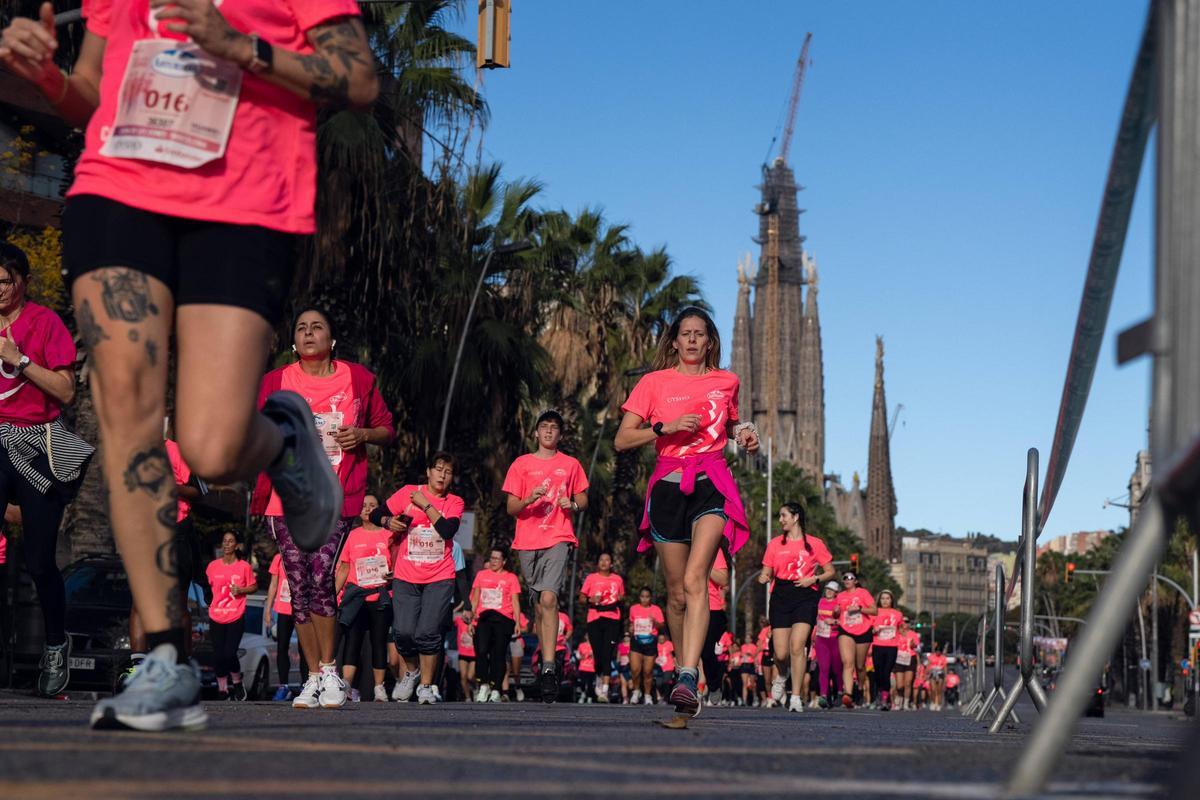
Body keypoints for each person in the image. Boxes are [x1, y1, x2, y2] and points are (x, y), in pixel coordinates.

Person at [1, 0, 378, 731]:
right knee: (125, 405)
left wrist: (240, 47)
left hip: (243, 202)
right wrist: (45, 74)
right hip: (118, 188)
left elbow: (357, 78)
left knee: (209, 445)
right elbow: (89, 89)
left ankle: (283, 440)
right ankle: (165, 660)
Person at [614, 307, 757, 718]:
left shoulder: (726, 381)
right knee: (676, 593)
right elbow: (624, 439)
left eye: (700, 334)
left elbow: (727, 424)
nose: (693, 340)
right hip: (668, 484)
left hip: (712, 481)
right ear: (674, 341)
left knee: (697, 579)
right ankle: (681, 667)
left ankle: (689, 676)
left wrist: (743, 433)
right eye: (685, 334)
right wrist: (665, 427)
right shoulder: (653, 383)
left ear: (709, 341)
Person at [255, 308, 394, 710]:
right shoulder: (275, 382)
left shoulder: (357, 378)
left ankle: (331, 670)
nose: (308, 332)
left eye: (317, 327)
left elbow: (387, 428)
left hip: (336, 496)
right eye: (301, 327)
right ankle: (312, 677)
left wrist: (363, 434)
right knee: (297, 586)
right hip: (286, 498)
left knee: (321, 575)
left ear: (332, 340)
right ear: (294, 342)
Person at [0, 242, 86, 697]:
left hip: (35, 445)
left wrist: (20, 361)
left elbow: (66, 392)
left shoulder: (45, 323)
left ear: (23, 282)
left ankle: (56, 644)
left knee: (38, 560)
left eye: (4, 280)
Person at [502, 409, 589, 703]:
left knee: (550, 599)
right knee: (539, 605)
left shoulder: (571, 464)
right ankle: (545, 659)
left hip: (558, 536)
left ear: (560, 435)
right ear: (536, 433)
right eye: (544, 427)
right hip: (527, 540)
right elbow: (512, 508)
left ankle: (550, 669)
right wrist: (529, 499)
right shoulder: (521, 464)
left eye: (554, 428)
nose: (549, 432)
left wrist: (572, 505)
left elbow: (583, 498)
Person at [376, 452, 464, 705]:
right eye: (438, 469)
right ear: (428, 472)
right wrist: (388, 521)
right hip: (406, 575)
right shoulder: (406, 493)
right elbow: (377, 514)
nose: (442, 475)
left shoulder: (454, 502)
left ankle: (426, 686)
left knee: (427, 632)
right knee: (403, 633)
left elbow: (447, 529)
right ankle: (411, 672)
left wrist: (425, 504)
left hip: (440, 576)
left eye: (447, 472)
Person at [757, 501, 835, 713]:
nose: (780, 520)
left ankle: (796, 697)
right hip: (781, 594)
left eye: (784, 515)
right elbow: (767, 570)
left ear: (796, 517)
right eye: (780, 516)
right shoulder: (774, 544)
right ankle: (782, 675)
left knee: (797, 646)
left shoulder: (814, 543)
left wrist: (815, 580)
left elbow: (830, 571)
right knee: (781, 654)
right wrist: (765, 577)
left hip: (805, 594)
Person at [335, 493, 392, 703]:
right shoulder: (352, 535)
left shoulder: (388, 535)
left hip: (380, 594)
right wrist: (333, 595)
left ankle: (379, 688)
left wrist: (391, 575)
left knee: (378, 641)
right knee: (353, 640)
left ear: (380, 510)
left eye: (373, 505)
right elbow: (343, 568)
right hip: (356, 595)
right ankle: (347, 685)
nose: (367, 509)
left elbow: (397, 564)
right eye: (364, 505)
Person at [204, 531, 256, 700]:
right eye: (224, 541)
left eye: (230, 541)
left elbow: (254, 587)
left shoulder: (244, 567)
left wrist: (241, 590)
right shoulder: (212, 566)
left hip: (235, 615)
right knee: (218, 654)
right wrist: (207, 599)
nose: (226, 544)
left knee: (229, 653)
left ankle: (237, 681)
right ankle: (222, 689)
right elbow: (206, 586)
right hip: (216, 615)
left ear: (236, 545)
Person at [470, 547, 522, 703]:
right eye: (491, 558)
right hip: (484, 618)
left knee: (498, 654)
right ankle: (483, 685)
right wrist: (471, 620)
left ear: (504, 561)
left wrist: (518, 622)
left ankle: (496, 689)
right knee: (481, 650)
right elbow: (475, 598)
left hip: (503, 619)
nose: (493, 561)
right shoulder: (481, 575)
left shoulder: (511, 578)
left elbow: (515, 601)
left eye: (497, 559)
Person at [579, 553, 624, 703]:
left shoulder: (617, 579)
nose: (604, 562)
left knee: (607, 654)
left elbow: (622, 597)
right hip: (594, 618)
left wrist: (619, 599)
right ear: (598, 563)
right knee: (598, 655)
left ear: (611, 563)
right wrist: (591, 599)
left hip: (612, 619)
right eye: (601, 559)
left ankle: (604, 690)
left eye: (607, 560)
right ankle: (599, 678)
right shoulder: (591, 578)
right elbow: (581, 598)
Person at [264, 550, 304, 701]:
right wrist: (267, 610)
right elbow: (274, 584)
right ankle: (283, 686)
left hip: (302, 609)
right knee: (282, 647)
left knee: (304, 648)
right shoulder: (279, 557)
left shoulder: (305, 554)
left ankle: (306, 684)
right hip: (283, 609)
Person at [836, 571, 877, 708]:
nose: (847, 580)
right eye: (845, 578)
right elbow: (836, 613)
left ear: (855, 581)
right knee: (847, 663)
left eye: (850, 578)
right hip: (845, 630)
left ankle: (859, 687)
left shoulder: (863, 593)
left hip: (863, 631)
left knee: (860, 666)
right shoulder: (840, 596)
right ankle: (848, 694)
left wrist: (859, 608)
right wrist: (836, 611)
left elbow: (874, 610)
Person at [701, 547, 730, 707]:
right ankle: (688, 689)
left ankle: (714, 684)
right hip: (688, 606)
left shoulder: (713, 549)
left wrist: (703, 564)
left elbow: (724, 579)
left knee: (706, 651)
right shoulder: (682, 546)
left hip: (711, 608)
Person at [628, 587, 664, 705]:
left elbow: (661, 626)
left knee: (648, 671)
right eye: (642, 596)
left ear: (650, 598)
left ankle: (647, 695)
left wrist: (655, 622)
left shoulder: (656, 610)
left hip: (650, 641)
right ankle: (636, 691)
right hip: (636, 641)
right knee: (635, 669)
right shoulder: (633, 609)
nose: (644, 599)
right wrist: (631, 629)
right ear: (639, 597)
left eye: (647, 597)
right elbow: (631, 624)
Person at [870, 589, 903, 711]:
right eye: (882, 598)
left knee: (886, 672)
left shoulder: (898, 614)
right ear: (879, 600)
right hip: (877, 645)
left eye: (887, 598)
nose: (885, 601)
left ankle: (884, 698)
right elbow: (869, 628)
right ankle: (880, 693)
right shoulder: (874, 612)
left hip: (892, 646)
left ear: (892, 600)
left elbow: (900, 629)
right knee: (878, 673)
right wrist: (874, 630)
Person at [813, 580, 842, 708]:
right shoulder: (820, 602)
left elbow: (846, 621)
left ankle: (839, 693)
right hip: (821, 639)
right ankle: (823, 695)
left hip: (835, 639)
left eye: (832, 590)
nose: (828, 592)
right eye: (827, 589)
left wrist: (835, 622)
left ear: (836, 593)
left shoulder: (839, 604)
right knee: (824, 668)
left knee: (836, 669)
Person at [454, 610, 476, 701]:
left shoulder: (475, 622)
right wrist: (460, 607)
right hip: (462, 654)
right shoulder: (459, 620)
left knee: (470, 676)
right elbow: (451, 614)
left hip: (473, 655)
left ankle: (475, 688)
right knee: (463, 676)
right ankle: (467, 697)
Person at [655, 633, 676, 703]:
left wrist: (675, 664)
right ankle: (660, 696)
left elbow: (674, 654)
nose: (661, 640)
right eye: (660, 639)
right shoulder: (655, 645)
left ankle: (666, 698)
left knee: (666, 682)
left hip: (669, 666)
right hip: (658, 667)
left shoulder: (669, 644)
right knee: (658, 683)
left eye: (662, 639)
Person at [927, 643, 949, 711]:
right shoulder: (931, 656)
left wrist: (945, 676)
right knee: (933, 689)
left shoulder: (943, 658)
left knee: (939, 690)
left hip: (940, 674)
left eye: (939, 651)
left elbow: (945, 667)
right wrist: (927, 673)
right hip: (933, 673)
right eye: (937, 651)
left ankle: (938, 704)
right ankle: (933, 703)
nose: (938, 653)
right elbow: (928, 665)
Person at [575, 639, 595, 703]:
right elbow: (577, 655)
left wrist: (593, 655)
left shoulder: (595, 645)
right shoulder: (581, 645)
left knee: (590, 684)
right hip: (583, 667)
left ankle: (589, 697)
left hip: (592, 668)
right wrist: (581, 657)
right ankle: (583, 695)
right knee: (582, 682)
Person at [617, 633, 632, 704]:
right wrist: (617, 664)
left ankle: (632, 696)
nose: (626, 638)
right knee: (623, 683)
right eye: (625, 636)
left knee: (631, 685)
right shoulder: (620, 645)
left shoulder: (633, 645)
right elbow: (618, 655)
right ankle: (625, 698)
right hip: (622, 666)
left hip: (631, 667)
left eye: (628, 636)